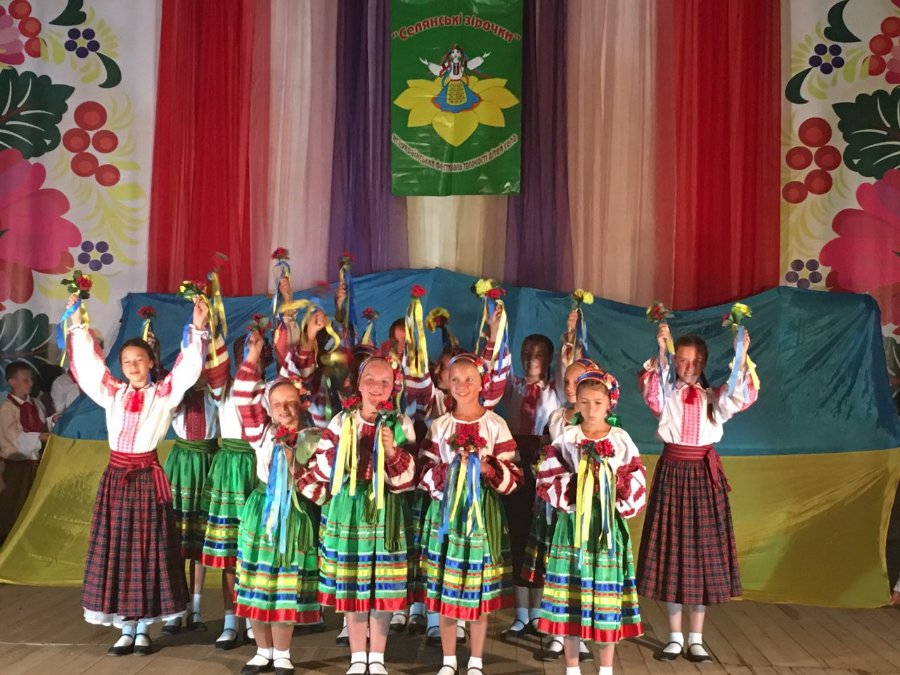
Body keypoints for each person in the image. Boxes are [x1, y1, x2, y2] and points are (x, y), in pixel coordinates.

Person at [64, 292, 208, 656]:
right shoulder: (112, 393)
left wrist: (198, 326)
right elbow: (90, 369)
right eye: (126, 361)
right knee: (118, 551)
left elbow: (187, 369)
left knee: (146, 553)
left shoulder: (164, 394)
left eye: (138, 360)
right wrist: (77, 324)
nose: (132, 366)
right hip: (116, 479)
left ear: (150, 362)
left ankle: (143, 628)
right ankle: (125, 628)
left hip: (145, 479)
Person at [637, 323, 757, 662]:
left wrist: (742, 355)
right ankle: (675, 636)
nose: (689, 367)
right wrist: (662, 349)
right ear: (675, 362)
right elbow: (651, 389)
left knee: (701, 557)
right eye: (683, 360)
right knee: (672, 554)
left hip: (703, 479)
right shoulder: (666, 395)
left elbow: (740, 395)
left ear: (704, 363)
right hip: (673, 475)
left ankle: (696, 638)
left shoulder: (714, 398)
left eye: (696, 361)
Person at [298, 356, 417, 675]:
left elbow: (408, 481)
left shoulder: (401, 424)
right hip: (349, 508)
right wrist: (344, 451)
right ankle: (357, 656)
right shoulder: (342, 421)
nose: (377, 388)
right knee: (353, 584)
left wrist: (391, 452)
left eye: (384, 382)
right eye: (370, 381)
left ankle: (376, 656)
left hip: (385, 510)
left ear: (394, 388)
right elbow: (321, 467)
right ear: (358, 385)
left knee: (382, 586)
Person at [535, 369, 645, 675]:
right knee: (573, 597)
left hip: (605, 527)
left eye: (598, 402)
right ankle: (572, 668)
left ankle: (606, 669)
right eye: (584, 402)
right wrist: (578, 483)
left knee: (606, 599)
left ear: (610, 404)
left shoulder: (620, 439)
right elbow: (547, 478)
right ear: (577, 403)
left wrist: (612, 485)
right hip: (573, 526)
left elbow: (636, 477)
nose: (591, 408)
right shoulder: (568, 437)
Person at [420, 353, 522, 675]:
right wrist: (449, 471)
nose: (462, 386)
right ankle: (449, 660)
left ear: (482, 383)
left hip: (482, 514)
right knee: (447, 587)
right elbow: (424, 471)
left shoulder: (496, 424)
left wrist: (489, 469)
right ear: (447, 385)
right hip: (448, 514)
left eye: (469, 379)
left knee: (478, 589)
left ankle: (476, 660)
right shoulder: (440, 426)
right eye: (455, 380)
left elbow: (514, 474)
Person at [232, 330, 320, 675]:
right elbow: (242, 397)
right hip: (262, 509)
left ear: (302, 403)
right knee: (257, 579)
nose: (284, 408)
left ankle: (282, 652)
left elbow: (320, 482)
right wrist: (253, 357)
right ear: (268, 408)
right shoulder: (261, 432)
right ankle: (262, 650)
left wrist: (297, 468)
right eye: (277, 403)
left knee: (286, 581)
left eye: (291, 401)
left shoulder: (313, 437)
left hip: (295, 512)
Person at [522, 356, 597, 661]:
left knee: (581, 569)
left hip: (586, 505)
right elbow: (545, 451)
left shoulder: (602, 422)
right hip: (555, 502)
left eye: (577, 382)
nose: (570, 387)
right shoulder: (556, 416)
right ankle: (557, 635)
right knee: (554, 569)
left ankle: (581, 636)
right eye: (566, 381)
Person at [199, 335, 271, 650]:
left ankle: (256, 618)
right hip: (229, 471)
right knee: (229, 551)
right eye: (244, 352)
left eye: (256, 352)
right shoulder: (223, 389)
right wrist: (212, 328)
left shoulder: (270, 390)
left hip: (259, 468)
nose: (249, 358)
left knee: (257, 549)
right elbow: (214, 369)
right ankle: (231, 620)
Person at [161, 332, 230, 636]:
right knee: (178, 539)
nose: (201, 373)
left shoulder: (217, 397)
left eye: (205, 367)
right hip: (182, 466)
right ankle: (175, 610)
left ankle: (196, 609)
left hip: (209, 464)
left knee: (200, 541)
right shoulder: (178, 396)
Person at [500, 332, 560, 639]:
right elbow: (497, 366)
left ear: (549, 359)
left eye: (538, 354)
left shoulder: (556, 390)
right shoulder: (513, 386)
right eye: (526, 353)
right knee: (518, 536)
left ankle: (538, 614)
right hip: (514, 462)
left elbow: (572, 362)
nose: (530, 359)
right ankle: (521, 615)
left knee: (540, 539)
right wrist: (495, 326)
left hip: (544, 463)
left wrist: (572, 335)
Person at [0, 362, 48, 542]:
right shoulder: (7, 409)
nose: (30, 383)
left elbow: (42, 424)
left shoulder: (36, 403)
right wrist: (39, 438)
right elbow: (13, 437)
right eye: (25, 379)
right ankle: (7, 537)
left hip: (35, 461)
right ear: (12, 381)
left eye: (31, 379)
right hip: (15, 463)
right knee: (13, 501)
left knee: (30, 500)